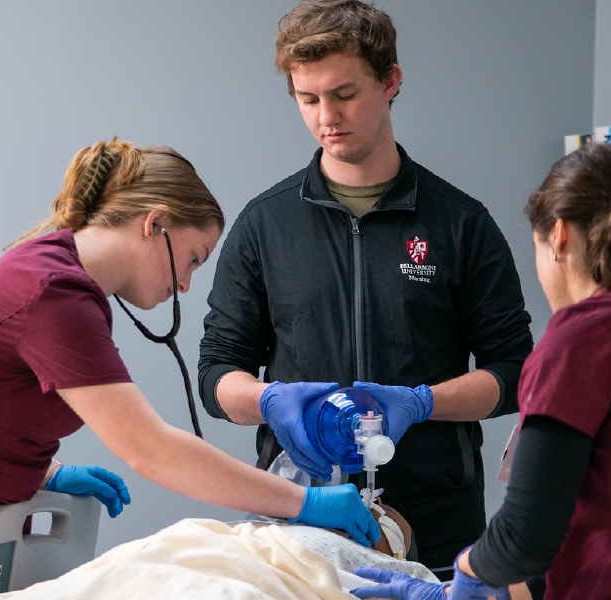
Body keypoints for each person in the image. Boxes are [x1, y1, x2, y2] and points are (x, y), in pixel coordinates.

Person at [0, 139, 380, 600]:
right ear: (155, 224)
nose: (186, 284)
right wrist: (306, 502)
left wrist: (41, 473)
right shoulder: (54, 292)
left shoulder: (62, 278)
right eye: (192, 258)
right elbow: (151, 448)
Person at [197, 0, 534, 577]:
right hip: (301, 514)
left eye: (345, 93)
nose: (327, 115)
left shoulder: (460, 224)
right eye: (308, 99)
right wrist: (271, 401)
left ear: (391, 81)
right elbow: (216, 376)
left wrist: (423, 403)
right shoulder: (264, 225)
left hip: (436, 516)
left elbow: (514, 374)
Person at [351, 143, 611, 600]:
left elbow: (527, 534)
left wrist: (467, 570)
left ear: (558, 236)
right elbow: (608, 524)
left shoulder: (580, 340)